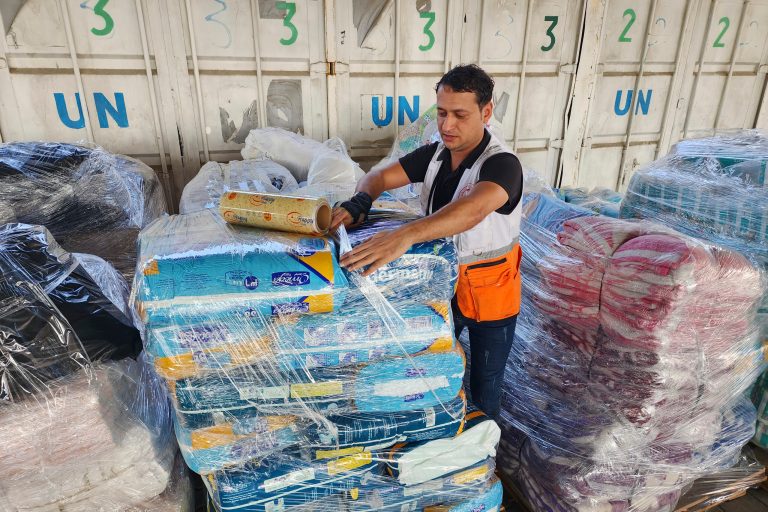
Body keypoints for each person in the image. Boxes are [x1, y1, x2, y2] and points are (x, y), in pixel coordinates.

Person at [330, 64, 523, 420]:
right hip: (439, 287)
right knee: (432, 369)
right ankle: (442, 438)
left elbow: (473, 210)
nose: (447, 125)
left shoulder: (502, 164)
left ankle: (482, 456)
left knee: (485, 383)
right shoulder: (435, 154)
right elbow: (378, 175)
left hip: (489, 296)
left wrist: (405, 235)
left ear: (486, 112)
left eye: (460, 115)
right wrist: (362, 200)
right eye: (442, 113)